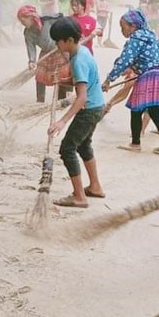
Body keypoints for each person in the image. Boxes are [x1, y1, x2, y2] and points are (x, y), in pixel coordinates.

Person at [47, 17, 106, 208]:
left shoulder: (78, 59)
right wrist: (62, 81)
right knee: (83, 145)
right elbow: (80, 81)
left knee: (67, 149)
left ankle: (79, 196)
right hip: (96, 106)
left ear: (69, 40)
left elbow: (81, 97)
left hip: (88, 109)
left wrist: (62, 121)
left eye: (58, 41)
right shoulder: (82, 51)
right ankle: (95, 187)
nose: (56, 44)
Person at [102, 9, 159, 153]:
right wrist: (140, 67)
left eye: (123, 27)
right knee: (154, 111)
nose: (122, 31)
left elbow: (124, 61)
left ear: (133, 26)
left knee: (136, 110)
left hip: (148, 77)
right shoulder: (151, 35)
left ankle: (135, 144)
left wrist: (109, 79)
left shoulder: (135, 39)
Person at [17, 5, 69, 105]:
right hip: (45, 52)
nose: (22, 23)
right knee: (40, 75)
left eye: (24, 20)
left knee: (62, 75)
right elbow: (30, 47)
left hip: (59, 49)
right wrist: (31, 61)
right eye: (21, 21)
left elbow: (63, 22)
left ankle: (61, 100)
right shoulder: (28, 33)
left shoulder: (47, 21)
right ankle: (40, 101)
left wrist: (62, 41)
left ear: (31, 17)